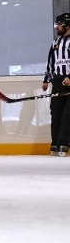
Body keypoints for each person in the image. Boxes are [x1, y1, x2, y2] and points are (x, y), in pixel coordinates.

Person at [41, 12, 70, 156]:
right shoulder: (56, 43)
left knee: (67, 114)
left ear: (68, 25)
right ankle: (55, 143)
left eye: (60, 24)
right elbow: (51, 63)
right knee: (56, 112)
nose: (57, 27)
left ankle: (64, 143)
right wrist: (46, 79)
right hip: (58, 81)